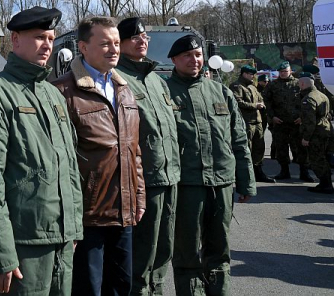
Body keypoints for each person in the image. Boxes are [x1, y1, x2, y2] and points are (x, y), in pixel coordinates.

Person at [0, 6, 83, 296]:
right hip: (23, 247)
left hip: (61, 241)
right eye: (39, 37)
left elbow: (69, 165)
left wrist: (73, 227)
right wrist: (1, 253)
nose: (47, 44)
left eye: (51, 37)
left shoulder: (52, 94)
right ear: (15, 39)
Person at [51, 16, 145, 296]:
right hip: (88, 216)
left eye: (116, 43)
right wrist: (70, 216)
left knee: (121, 285)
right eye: (104, 43)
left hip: (124, 212)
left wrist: (138, 196)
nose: (114, 49)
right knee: (87, 289)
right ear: (83, 47)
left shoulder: (124, 90)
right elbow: (60, 161)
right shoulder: (62, 91)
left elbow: (134, 150)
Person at [166, 34, 255, 296]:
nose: (194, 60)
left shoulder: (220, 91)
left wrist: (246, 181)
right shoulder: (164, 92)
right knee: (187, 252)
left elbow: (239, 139)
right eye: (187, 56)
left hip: (222, 182)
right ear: (174, 60)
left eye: (197, 55)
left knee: (220, 249)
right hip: (187, 184)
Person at [114, 17, 180, 296]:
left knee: (165, 247)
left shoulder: (156, 80)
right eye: (135, 37)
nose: (143, 41)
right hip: (144, 179)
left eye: (145, 37)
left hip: (170, 176)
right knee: (143, 250)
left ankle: (157, 291)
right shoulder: (118, 79)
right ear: (122, 43)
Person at [264, 62, 312, 181]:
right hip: (280, 122)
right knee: (281, 148)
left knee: (301, 148)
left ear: (291, 71)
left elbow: (307, 100)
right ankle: (284, 171)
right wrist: (272, 116)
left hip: (297, 122)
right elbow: (267, 102)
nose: (283, 74)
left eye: (285, 71)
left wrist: (302, 117)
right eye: (281, 72)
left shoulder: (298, 83)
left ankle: (304, 172)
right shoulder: (272, 85)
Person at [230, 65, 275, 183]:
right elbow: (237, 102)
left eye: (253, 74)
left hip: (257, 121)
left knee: (259, 148)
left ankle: (258, 172)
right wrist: (255, 106)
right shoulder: (236, 86)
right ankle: (244, 174)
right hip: (246, 122)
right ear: (244, 74)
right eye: (251, 74)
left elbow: (261, 98)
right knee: (246, 149)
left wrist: (262, 104)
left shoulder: (253, 87)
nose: (253, 76)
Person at [299, 73, 333, 194]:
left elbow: (310, 122)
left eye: (299, 84)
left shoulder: (308, 99)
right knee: (324, 157)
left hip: (316, 134)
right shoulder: (322, 95)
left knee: (317, 159)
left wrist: (306, 138)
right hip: (325, 130)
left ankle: (326, 184)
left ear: (302, 84)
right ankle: (326, 183)